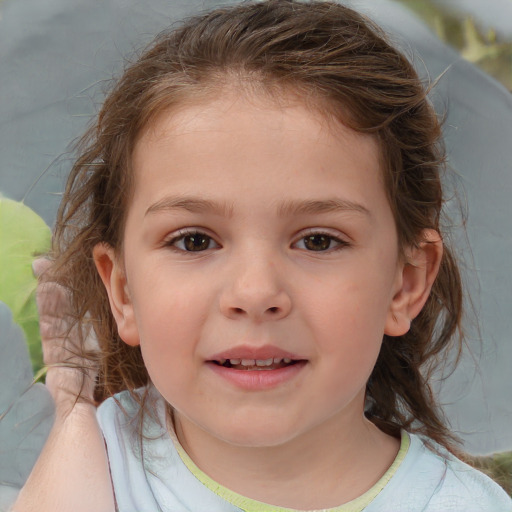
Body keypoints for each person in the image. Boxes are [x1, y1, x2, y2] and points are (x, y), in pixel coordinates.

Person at [13, 1, 512, 511]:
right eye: (194, 241)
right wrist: (74, 419)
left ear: (404, 283)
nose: (255, 294)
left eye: (318, 240)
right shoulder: (93, 466)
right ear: (122, 291)